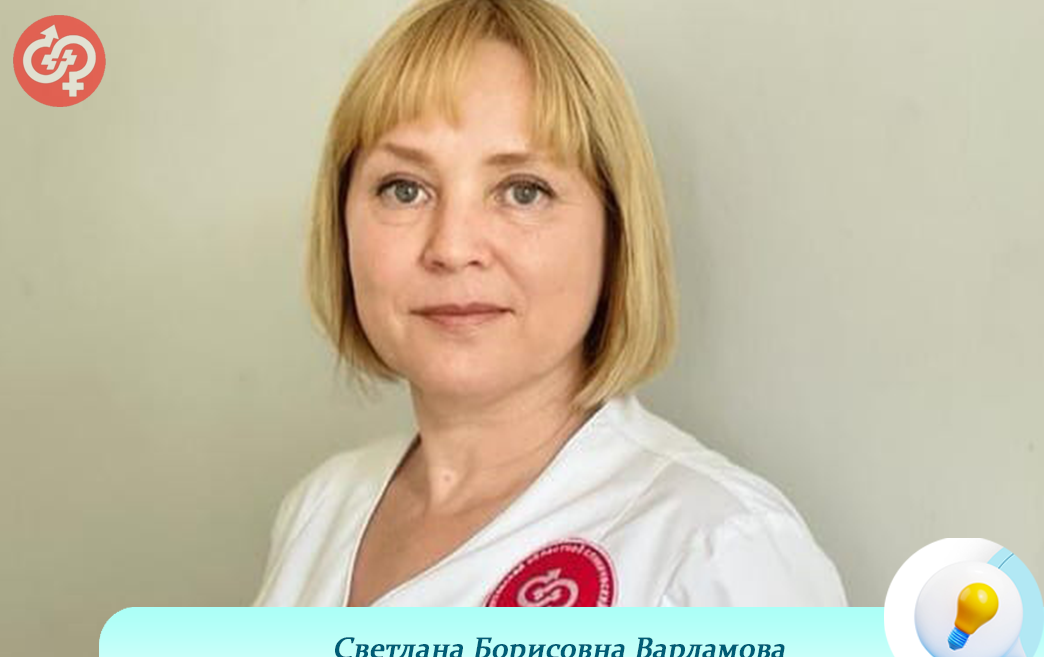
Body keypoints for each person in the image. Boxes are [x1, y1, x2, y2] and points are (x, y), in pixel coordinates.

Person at [252, 0, 846, 607]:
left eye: (523, 191)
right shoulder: (317, 512)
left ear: (615, 233)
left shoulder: (719, 548)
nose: (452, 248)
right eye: (405, 189)